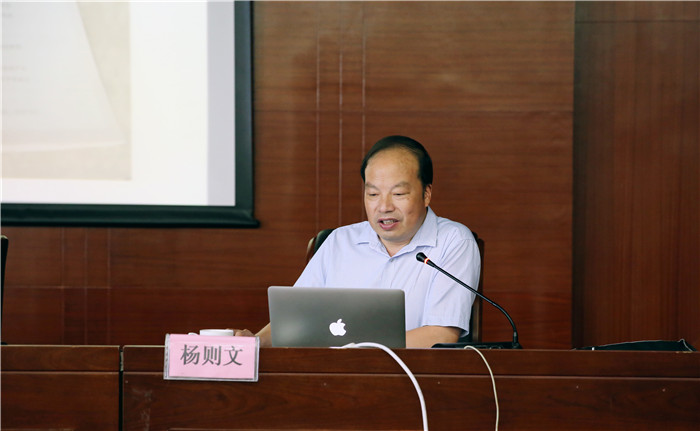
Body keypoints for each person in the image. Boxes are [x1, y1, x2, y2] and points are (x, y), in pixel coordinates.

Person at [235, 135, 480, 348]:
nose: (384, 206)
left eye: (398, 194)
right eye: (373, 194)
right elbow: (295, 317)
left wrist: (356, 352)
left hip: (412, 377)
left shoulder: (453, 242)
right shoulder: (339, 242)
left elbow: (441, 335)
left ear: (426, 194)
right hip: (331, 373)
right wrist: (255, 342)